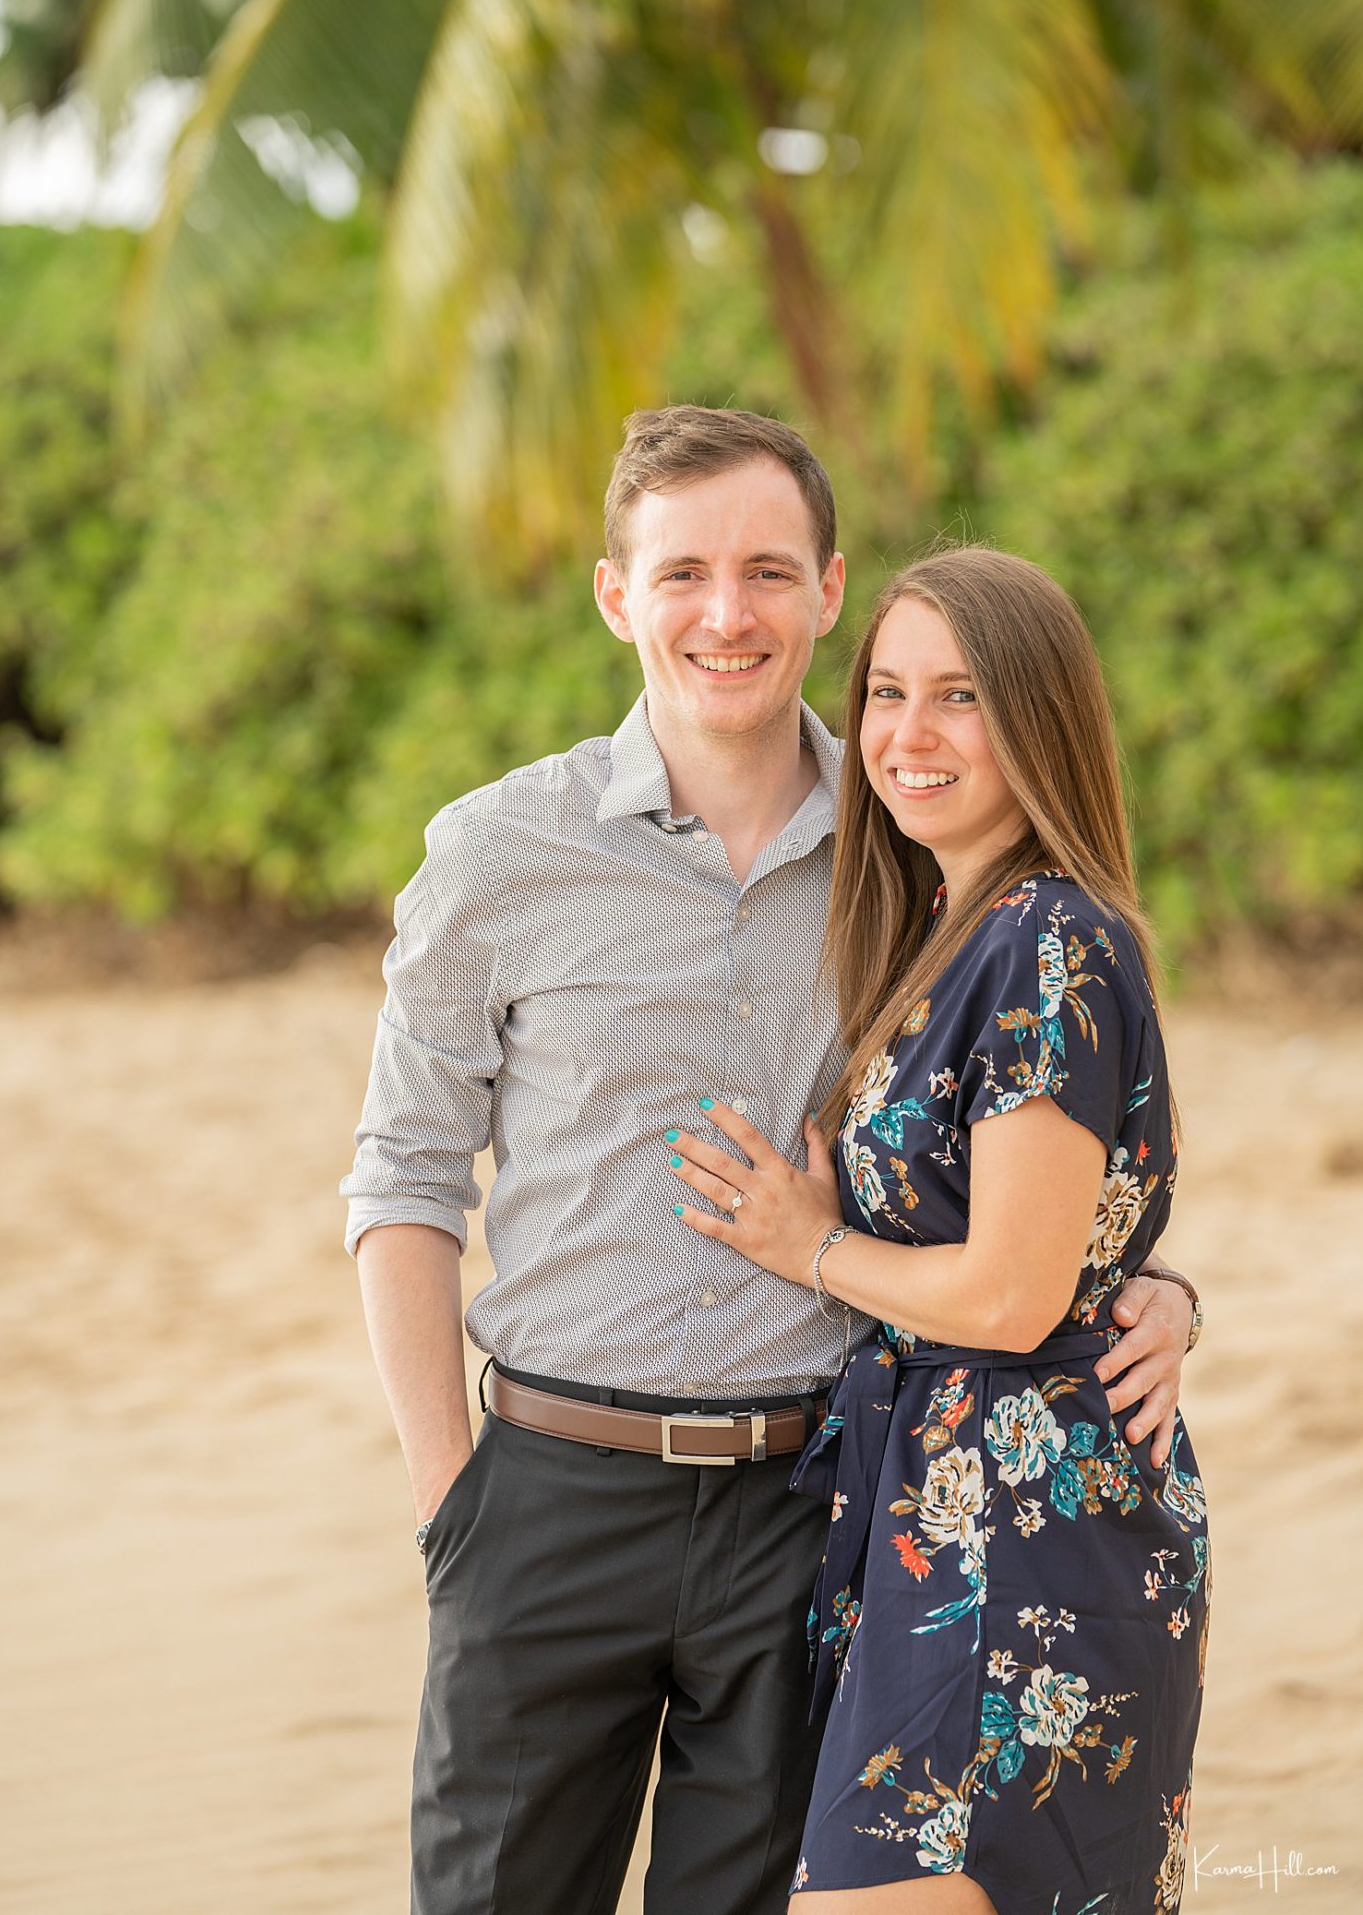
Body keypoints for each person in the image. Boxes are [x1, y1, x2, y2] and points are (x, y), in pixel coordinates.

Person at [340, 407, 1201, 1915]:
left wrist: (1152, 1289)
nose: (723, 614)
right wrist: (449, 1500)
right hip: (546, 1498)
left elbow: (1026, 1135)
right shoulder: (495, 854)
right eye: (681, 574)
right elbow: (402, 1181)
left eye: (764, 571)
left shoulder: (909, 850)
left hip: (814, 1512)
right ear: (618, 595)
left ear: (824, 588)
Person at [665, 544, 1208, 1913]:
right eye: (887, 692)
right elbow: (1079, 1248)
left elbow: (1016, 1297)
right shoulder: (952, 929)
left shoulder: (1046, 944)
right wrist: (1163, 1293)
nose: (906, 736)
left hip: (1020, 1544)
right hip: (945, 1520)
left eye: (959, 698)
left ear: (1040, 720)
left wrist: (807, 1246)